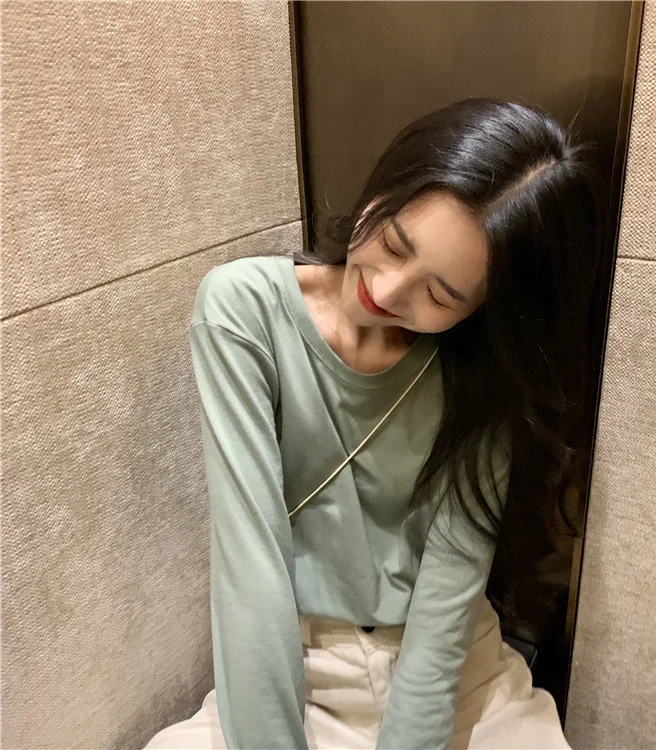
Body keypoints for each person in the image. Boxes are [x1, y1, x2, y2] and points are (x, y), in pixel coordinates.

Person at [144, 98, 605, 750]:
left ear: (482, 311)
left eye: (439, 295)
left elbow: (449, 591)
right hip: (303, 670)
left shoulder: (483, 374)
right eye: (392, 244)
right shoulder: (243, 311)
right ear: (387, 182)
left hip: (451, 675)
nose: (386, 291)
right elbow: (250, 566)